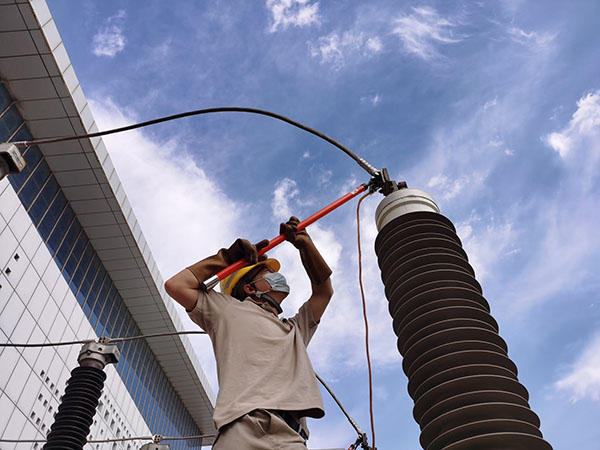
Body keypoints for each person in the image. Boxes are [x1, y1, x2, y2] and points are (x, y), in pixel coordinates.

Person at [164, 216, 334, 449]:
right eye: (265, 273)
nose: (276, 277)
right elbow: (177, 285)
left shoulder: (295, 329)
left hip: (290, 437)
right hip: (242, 428)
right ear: (249, 288)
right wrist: (226, 258)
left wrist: (306, 246)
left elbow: (323, 292)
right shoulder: (226, 309)